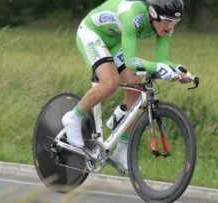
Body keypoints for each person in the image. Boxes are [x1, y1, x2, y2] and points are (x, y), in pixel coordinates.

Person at [62, 0, 193, 172]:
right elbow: (131, 61)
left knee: (136, 93)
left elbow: (162, 60)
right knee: (110, 83)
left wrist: (178, 70)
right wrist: (159, 68)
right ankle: (73, 117)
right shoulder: (133, 14)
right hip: (92, 34)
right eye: (168, 21)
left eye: (175, 22)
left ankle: (121, 150)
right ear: (153, 14)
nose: (171, 26)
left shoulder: (165, 24)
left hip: (115, 40)